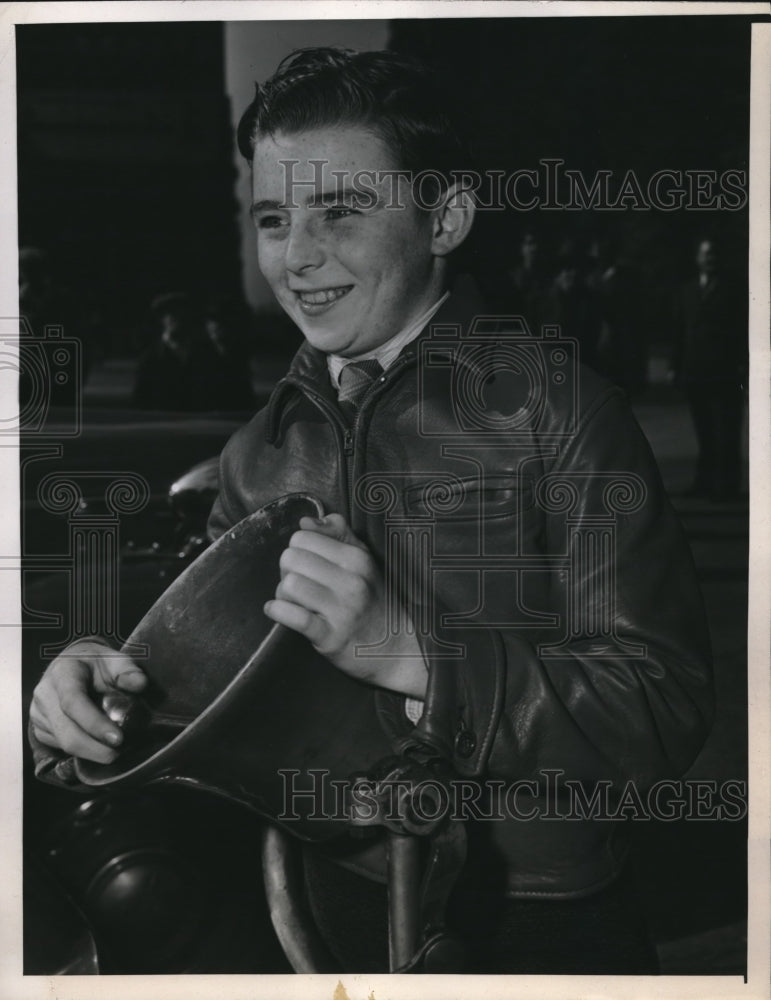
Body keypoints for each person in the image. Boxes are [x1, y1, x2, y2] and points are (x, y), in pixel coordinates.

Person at [28, 47, 713, 974]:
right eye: (275, 218)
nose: (298, 254)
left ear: (447, 217)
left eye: (340, 212)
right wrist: (97, 695)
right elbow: (205, 702)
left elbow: (660, 710)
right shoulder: (256, 452)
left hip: (536, 924)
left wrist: (415, 654)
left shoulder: (558, 409)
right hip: (317, 911)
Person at [674, 237, 747, 500]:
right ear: (697, 258)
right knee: (703, 431)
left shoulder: (735, 290)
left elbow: (742, 331)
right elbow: (680, 331)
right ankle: (704, 483)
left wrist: (743, 365)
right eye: (705, 254)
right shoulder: (687, 290)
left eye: (713, 254)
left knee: (727, 430)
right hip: (696, 372)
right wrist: (676, 366)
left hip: (726, 371)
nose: (709, 258)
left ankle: (728, 486)